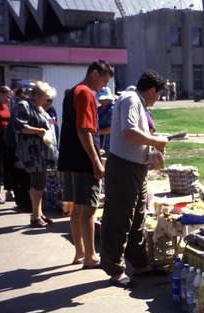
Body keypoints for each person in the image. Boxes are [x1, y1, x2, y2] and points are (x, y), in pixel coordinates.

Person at [100, 70, 168, 287]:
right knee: (119, 218)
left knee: (138, 216)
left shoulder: (136, 101)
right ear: (151, 90)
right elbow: (129, 132)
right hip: (124, 167)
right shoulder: (131, 99)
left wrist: (151, 150)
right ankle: (114, 269)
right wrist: (155, 141)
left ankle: (139, 263)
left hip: (136, 167)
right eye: (158, 94)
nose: (158, 99)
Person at [57, 60, 113, 267]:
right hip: (83, 161)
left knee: (77, 209)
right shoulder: (86, 93)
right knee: (89, 209)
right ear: (95, 74)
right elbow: (84, 130)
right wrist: (96, 161)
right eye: (104, 81)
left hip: (70, 158)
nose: (104, 87)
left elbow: (83, 129)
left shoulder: (72, 91)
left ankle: (80, 252)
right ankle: (90, 255)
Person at [14, 81, 58, 228]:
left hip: (41, 152)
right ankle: (35, 216)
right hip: (32, 152)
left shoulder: (39, 107)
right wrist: (40, 131)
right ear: (37, 95)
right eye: (45, 97)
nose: (47, 100)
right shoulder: (24, 105)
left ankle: (39, 213)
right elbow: (20, 126)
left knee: (40, 184)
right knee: (38, 184)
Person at [96, 87, 114, 153]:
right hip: (99, 143)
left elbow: (113, 128)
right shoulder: (98, 109)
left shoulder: (113, 110)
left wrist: (97, 133)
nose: (100, 101)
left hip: (110, 146)